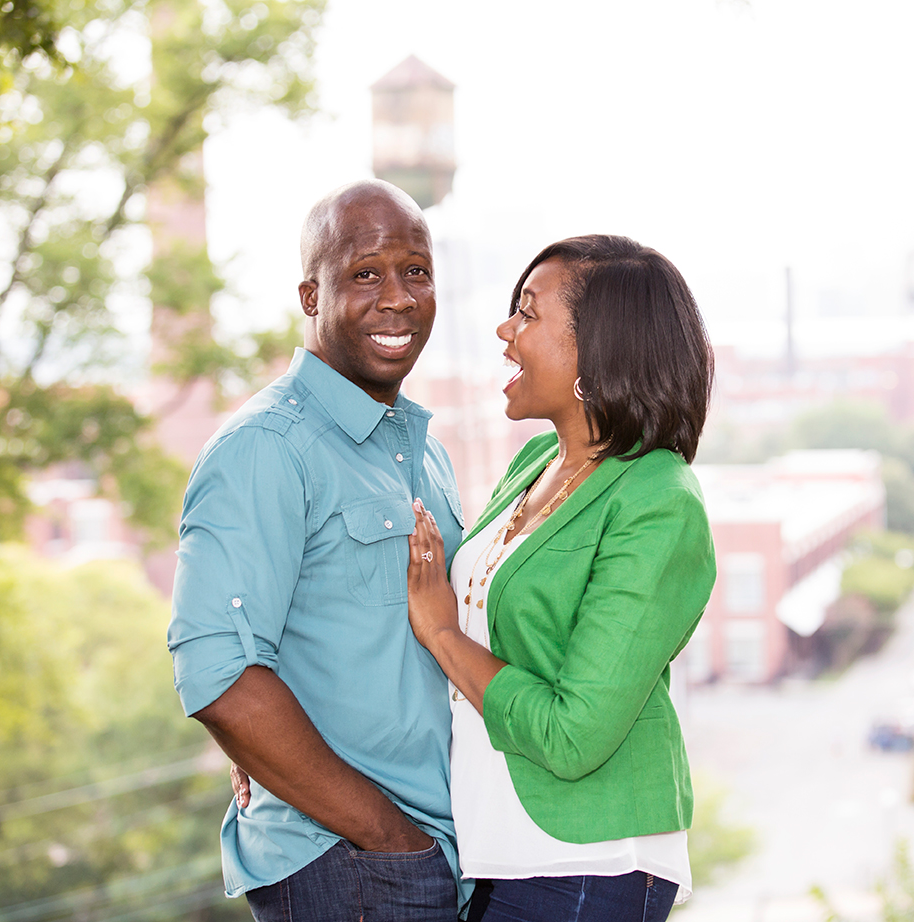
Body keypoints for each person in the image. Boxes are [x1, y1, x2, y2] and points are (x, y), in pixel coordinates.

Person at [168, 179, 467, 922]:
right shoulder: (265, 447)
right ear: (311, 296)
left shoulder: (425, 454)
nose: (398, 298)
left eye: (416, 271)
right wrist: (390, 840)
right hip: (348, 863)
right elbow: (219, 675)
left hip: (438, 858)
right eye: (366, 273)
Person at [404, 235, 717, 921]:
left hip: (587, 864)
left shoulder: (659, 500)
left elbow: (574, 735)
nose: (505, 330)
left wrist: (443, 634)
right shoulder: (538, 460)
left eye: (528, 312)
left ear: (596, 350)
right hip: (492, 849)